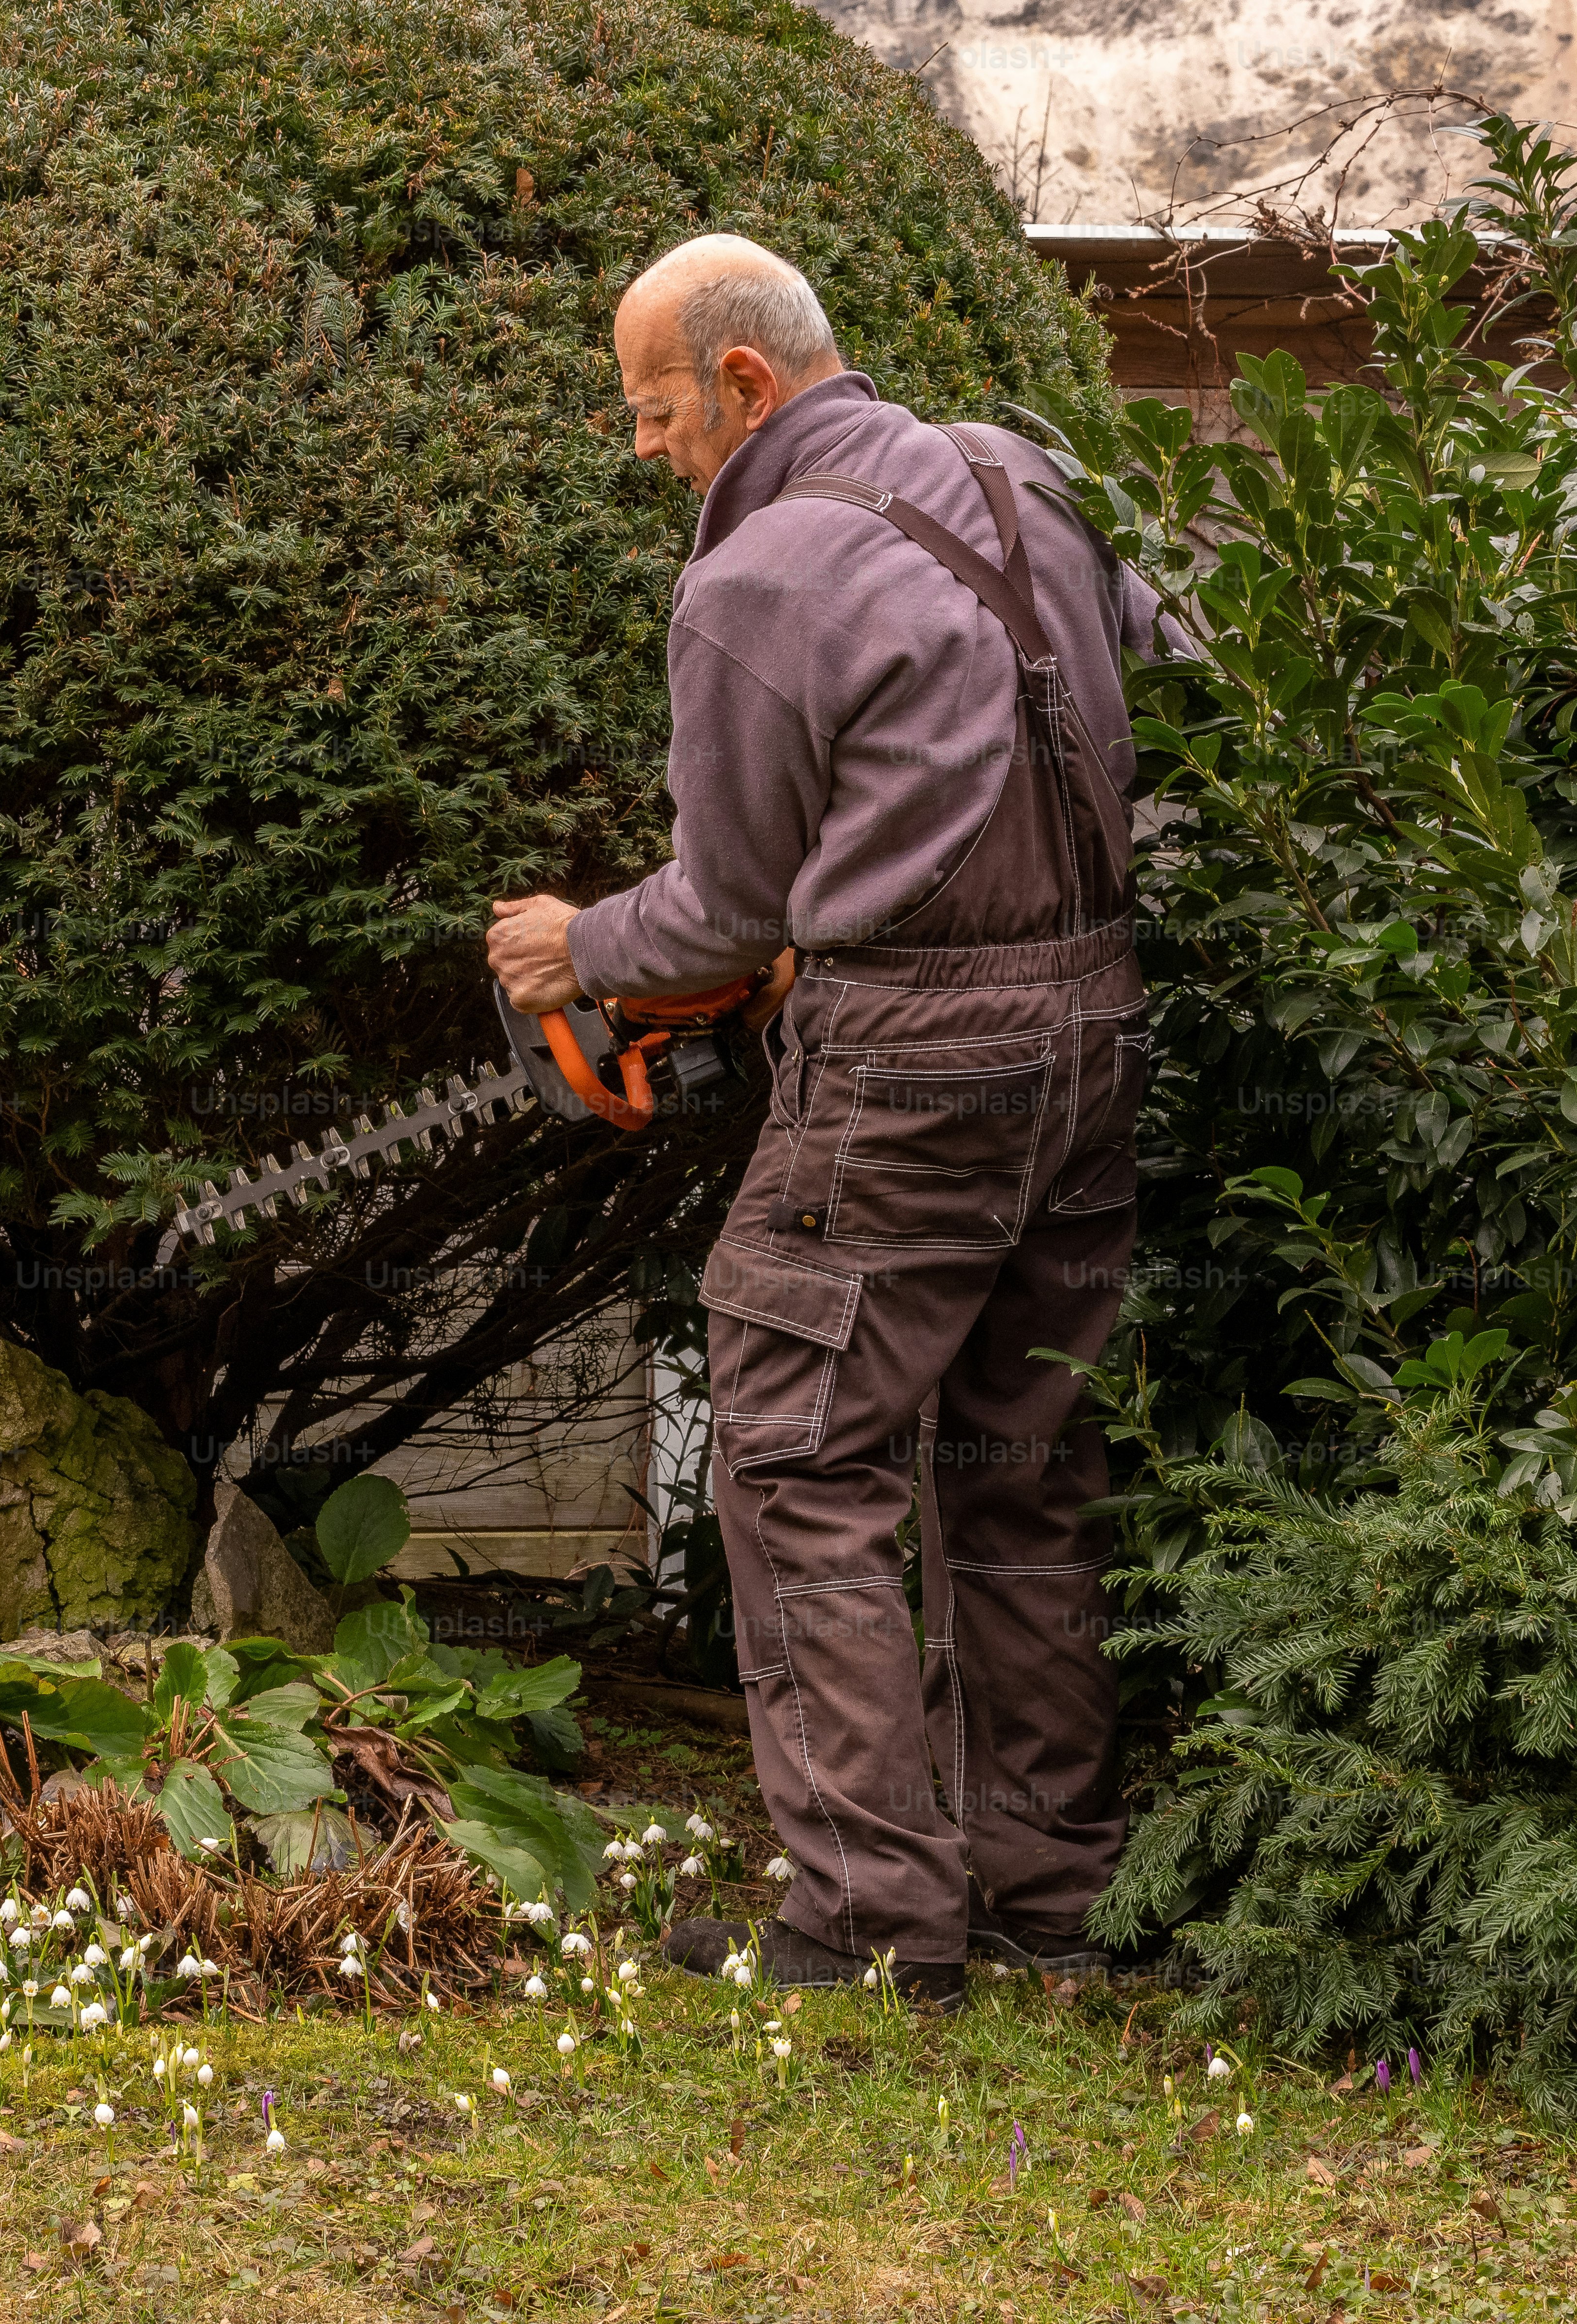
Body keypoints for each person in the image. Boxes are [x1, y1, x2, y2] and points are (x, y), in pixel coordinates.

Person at [485, 232, 1162, 2009]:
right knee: (1023, 1455)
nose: (640, 450)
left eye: (650, 411)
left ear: (745, 386)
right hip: (1098, 1032)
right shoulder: (1028, 480)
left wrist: (580, 948)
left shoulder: (761, 579)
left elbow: (719, 914)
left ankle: (867, 1924)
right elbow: (1132, 702)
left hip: (917, 1066)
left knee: (793, 1441)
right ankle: (1046, 1891)